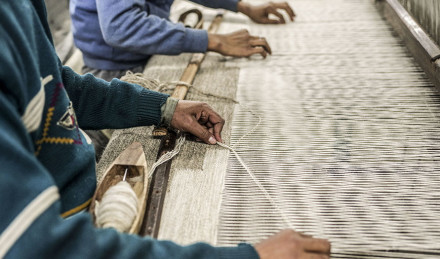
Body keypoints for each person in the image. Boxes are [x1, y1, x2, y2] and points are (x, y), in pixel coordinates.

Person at [0, 0, 331, 258]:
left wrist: (163, 108)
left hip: (76, 205)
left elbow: (59, 84)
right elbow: (39, 248)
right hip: (62, 224)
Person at [69, 0, 296, 81]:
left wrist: (241, 6)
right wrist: (214, 41)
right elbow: (120, 26)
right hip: (116, 72)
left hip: (141, 55)